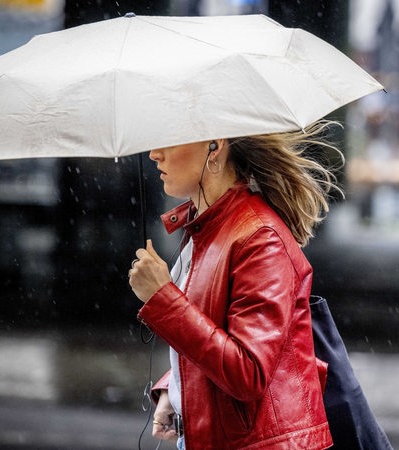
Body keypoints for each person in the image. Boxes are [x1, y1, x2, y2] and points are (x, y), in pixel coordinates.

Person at [127, 121, 340, 449]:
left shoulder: (258, 238)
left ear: (214, 144)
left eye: (168, 140)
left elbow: (248, 373)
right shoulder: (206, 227)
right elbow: (215, 328)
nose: (155, 154)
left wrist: (162, 297)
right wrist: (178, 389)